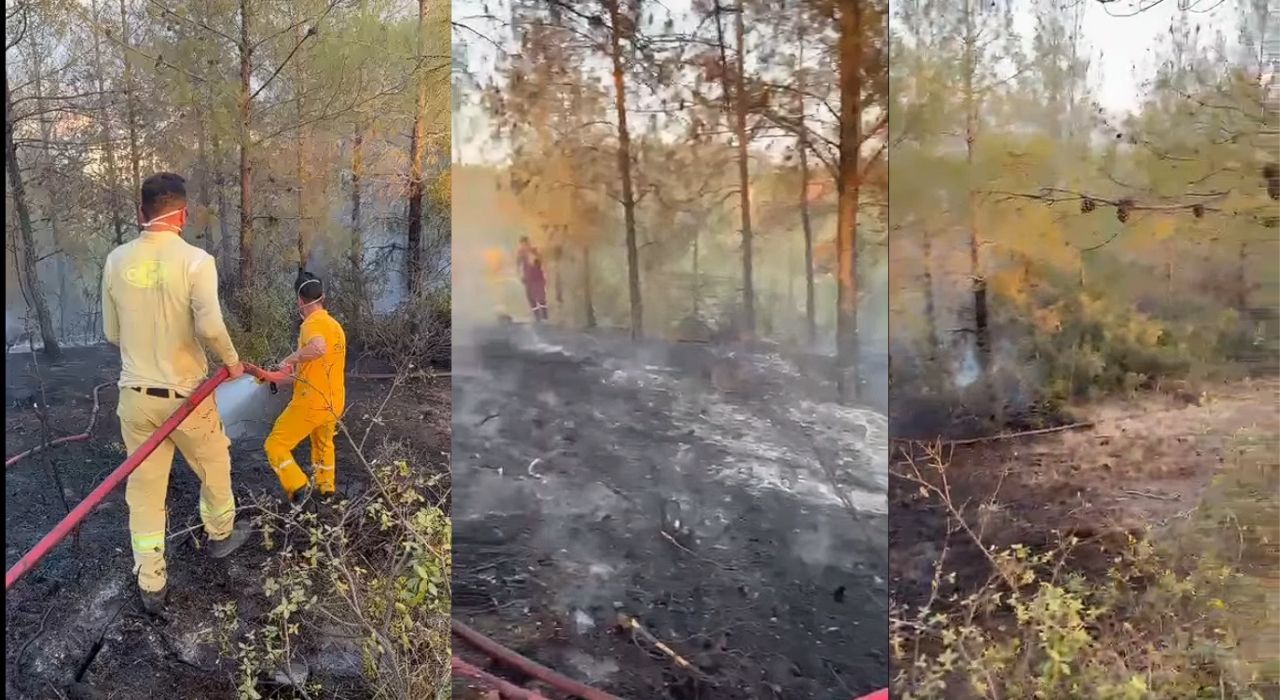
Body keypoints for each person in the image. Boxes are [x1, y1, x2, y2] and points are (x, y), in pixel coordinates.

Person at [101, 172, 250, 614]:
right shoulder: (196, 261)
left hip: (135, 397)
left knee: (144, 492)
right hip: (187, 397)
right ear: (182, 214)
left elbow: (112, 332)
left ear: (140, 213)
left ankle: (151, 583)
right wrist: (232, 361)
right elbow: (207, 325)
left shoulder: (115, 261)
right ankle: (220, 536)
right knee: (214, 461)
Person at [262, 271, 347, 505]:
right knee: (323, 445)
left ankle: (299, 489)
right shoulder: (335, 326)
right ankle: (326, 490)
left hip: (310, 403)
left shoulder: (312, 324)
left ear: (300, 300)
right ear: (323, 297)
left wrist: (289, 359)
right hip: (333, 403)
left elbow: (318, 348)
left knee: (275, 445)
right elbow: (312, 370)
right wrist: (276, 376)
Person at [516, 236, 548, 322]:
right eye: (522, 244)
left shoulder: (535, 251)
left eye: (526, 243)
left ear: (528, 243)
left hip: (538, 278)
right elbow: (518, 265)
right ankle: (537, 316)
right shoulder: (521, 253)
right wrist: (521, 276)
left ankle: (545, 316)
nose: (524, 246)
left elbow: (541, 262)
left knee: (541, 297)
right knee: (531, 298)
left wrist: (545, 274)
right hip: (528, 279)